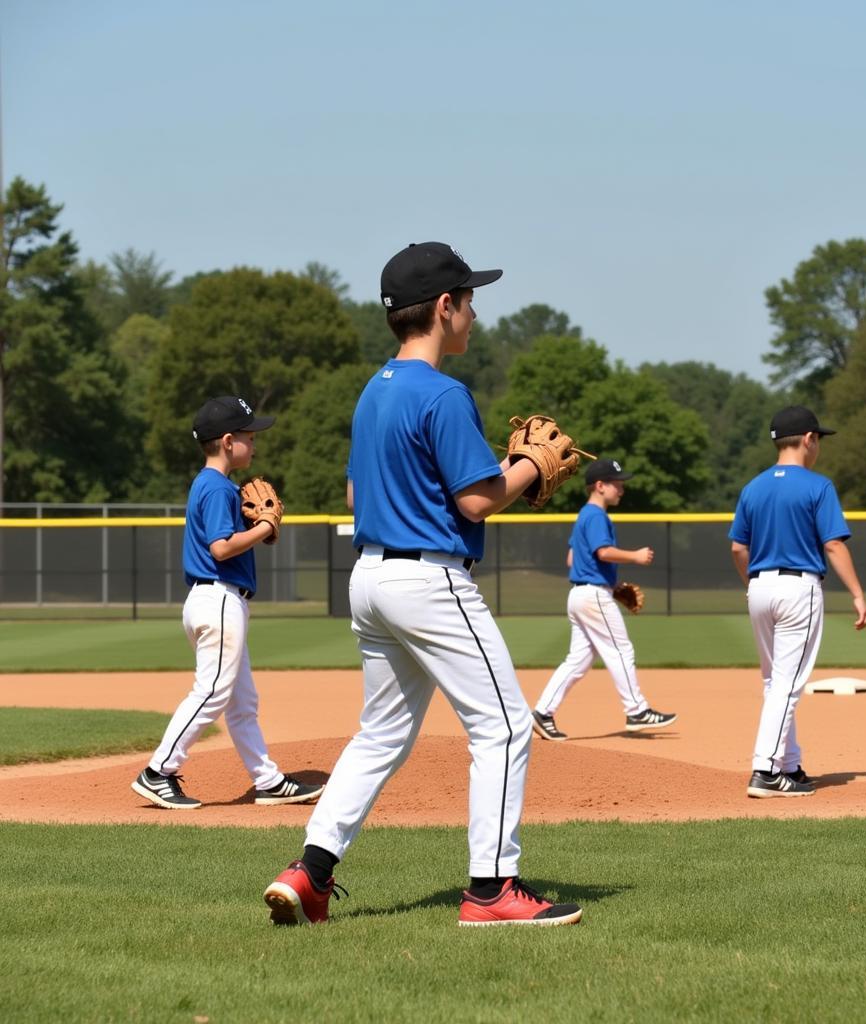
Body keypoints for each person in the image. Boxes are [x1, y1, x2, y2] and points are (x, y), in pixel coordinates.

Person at [264, 242, 582, 927]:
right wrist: (529, 467)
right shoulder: (443, 392)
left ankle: (310, 873)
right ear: (444, 307)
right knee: (501, 727)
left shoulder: (374, 390)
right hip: (428, 581)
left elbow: (422, 483)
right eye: (469, 300)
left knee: (380, 734)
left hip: (371, 576)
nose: (474, 313)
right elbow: (476, 502)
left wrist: (509, 463)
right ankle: (493, 889)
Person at [131, 396, 324, 810]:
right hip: (218, 597)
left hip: (216, 599)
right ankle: (157, 771)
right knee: (214, 691)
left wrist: (256, 528)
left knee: (241, 702)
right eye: (249, 437)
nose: (254, 445)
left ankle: (267, 781)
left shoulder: (215, 486)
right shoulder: (216, 487)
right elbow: (221, 548)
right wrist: (266, 527)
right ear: (226, 441)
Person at [728, 405, 866, 798]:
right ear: (808, 439)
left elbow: (739, 548)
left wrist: (752, 584)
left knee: (775, 681)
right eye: (818, 438)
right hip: (798, 589)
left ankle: (788, 765)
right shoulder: (816, 485)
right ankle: (766, 771)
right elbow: (833, 544)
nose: (819, 445)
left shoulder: (752, 487)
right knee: (787, 686)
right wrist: (858, 594)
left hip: (758, 586)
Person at [531, 458, 677, 741]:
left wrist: (612, 582)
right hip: (593, 594)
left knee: (578, 661)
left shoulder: (584, 515)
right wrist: (634, 556)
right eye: (617, 485)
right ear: (600, 486)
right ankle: (637, 710)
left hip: (579, 593)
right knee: (621, 649)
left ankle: (542, 712)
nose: (621, 490)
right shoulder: (597, 516)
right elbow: (602, 552)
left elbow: (571, 558)